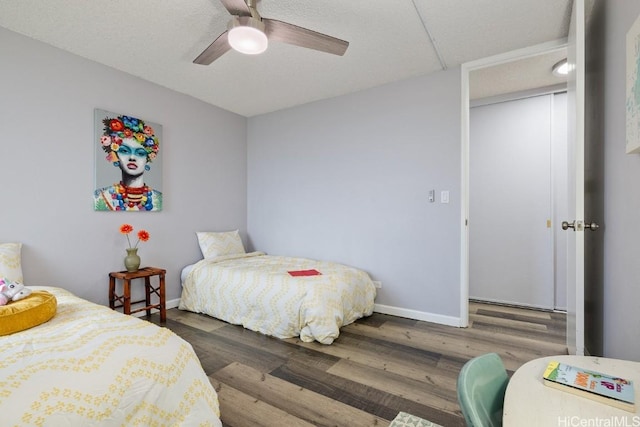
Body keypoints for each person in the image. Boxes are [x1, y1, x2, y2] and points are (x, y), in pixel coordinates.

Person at [94, 114, 162, 211]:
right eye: (125, 151)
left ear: (147, 160)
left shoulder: (158, 198)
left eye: (140, 153)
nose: (132, 157)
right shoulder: (101, 197)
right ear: (116, 156)